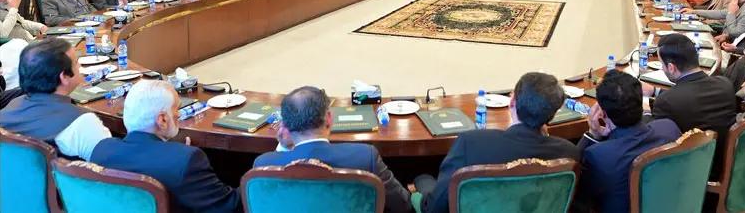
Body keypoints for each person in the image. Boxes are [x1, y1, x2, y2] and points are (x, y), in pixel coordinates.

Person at [416, 72, 578, 213]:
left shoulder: (470, 143)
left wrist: (422, 187)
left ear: (512, 101)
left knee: (422, 179)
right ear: (553, 114)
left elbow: (435, 208)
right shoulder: (569, 153)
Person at [254, 86, 412, 213]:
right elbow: (403, 206)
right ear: (329, 119)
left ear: (285, 126)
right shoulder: (365, 157)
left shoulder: (263, 165)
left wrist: (283, 146)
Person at [91, 81, 242, 213]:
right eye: (177, 108)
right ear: (162, 120)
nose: (179, 115)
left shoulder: (101, 151)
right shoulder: (187, 160)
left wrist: (174, 151)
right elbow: (231, 207)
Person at [576, 70, 681, 213]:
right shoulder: (669, 128)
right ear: (641, 103)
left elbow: (573, 188)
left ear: (602, 113)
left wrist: (592, 135)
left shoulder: (598, 155)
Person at [642, 34, 737, 175]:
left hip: (688, 173)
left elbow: (653, 140)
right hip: (724, 165)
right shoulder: (725, 84)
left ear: (671, 67)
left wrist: (645, 108)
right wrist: (656, 90)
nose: (662, 68)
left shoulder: (666, 102)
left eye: (662, 64)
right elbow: (693, 98)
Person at [1, 38, 111, 160]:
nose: (79, 66)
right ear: (64, 77)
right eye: (76, 63)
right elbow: (113, 165)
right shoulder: (82, 122)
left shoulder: (9, 108)